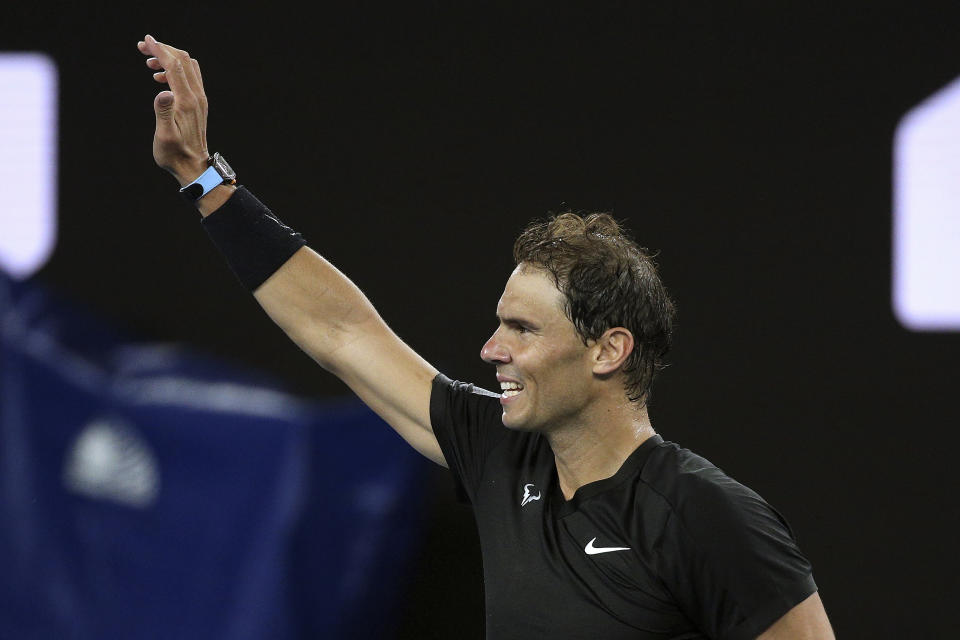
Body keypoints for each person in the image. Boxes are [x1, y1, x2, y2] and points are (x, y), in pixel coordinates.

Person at [136, 34, 835, 640]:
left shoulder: (705, 516)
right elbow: (343, 331)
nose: (490, 349)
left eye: (522, 328)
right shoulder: (500, 452)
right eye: (499, 323)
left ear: (607, 350)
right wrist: (205, 180)